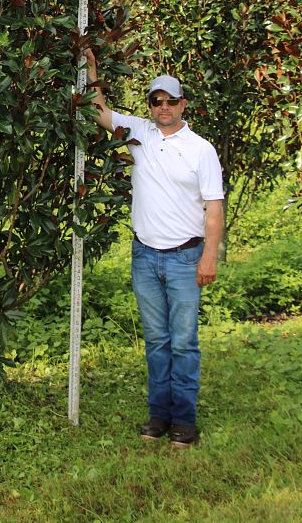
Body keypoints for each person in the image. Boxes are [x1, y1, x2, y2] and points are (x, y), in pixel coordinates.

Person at [83, 48, 224, 447]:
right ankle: (159, 415)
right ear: (150, 105)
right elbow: (98, 112)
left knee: (183, 342)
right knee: (156, 341)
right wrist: (91, 69)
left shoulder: (201, 149)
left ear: (183, 104)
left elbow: (214, 209)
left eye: (170, 101)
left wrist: (208, 257)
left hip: (185, 258)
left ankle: (185, 421)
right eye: (156, 101)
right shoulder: (139, 132)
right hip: (145, 256)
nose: (163, 107)